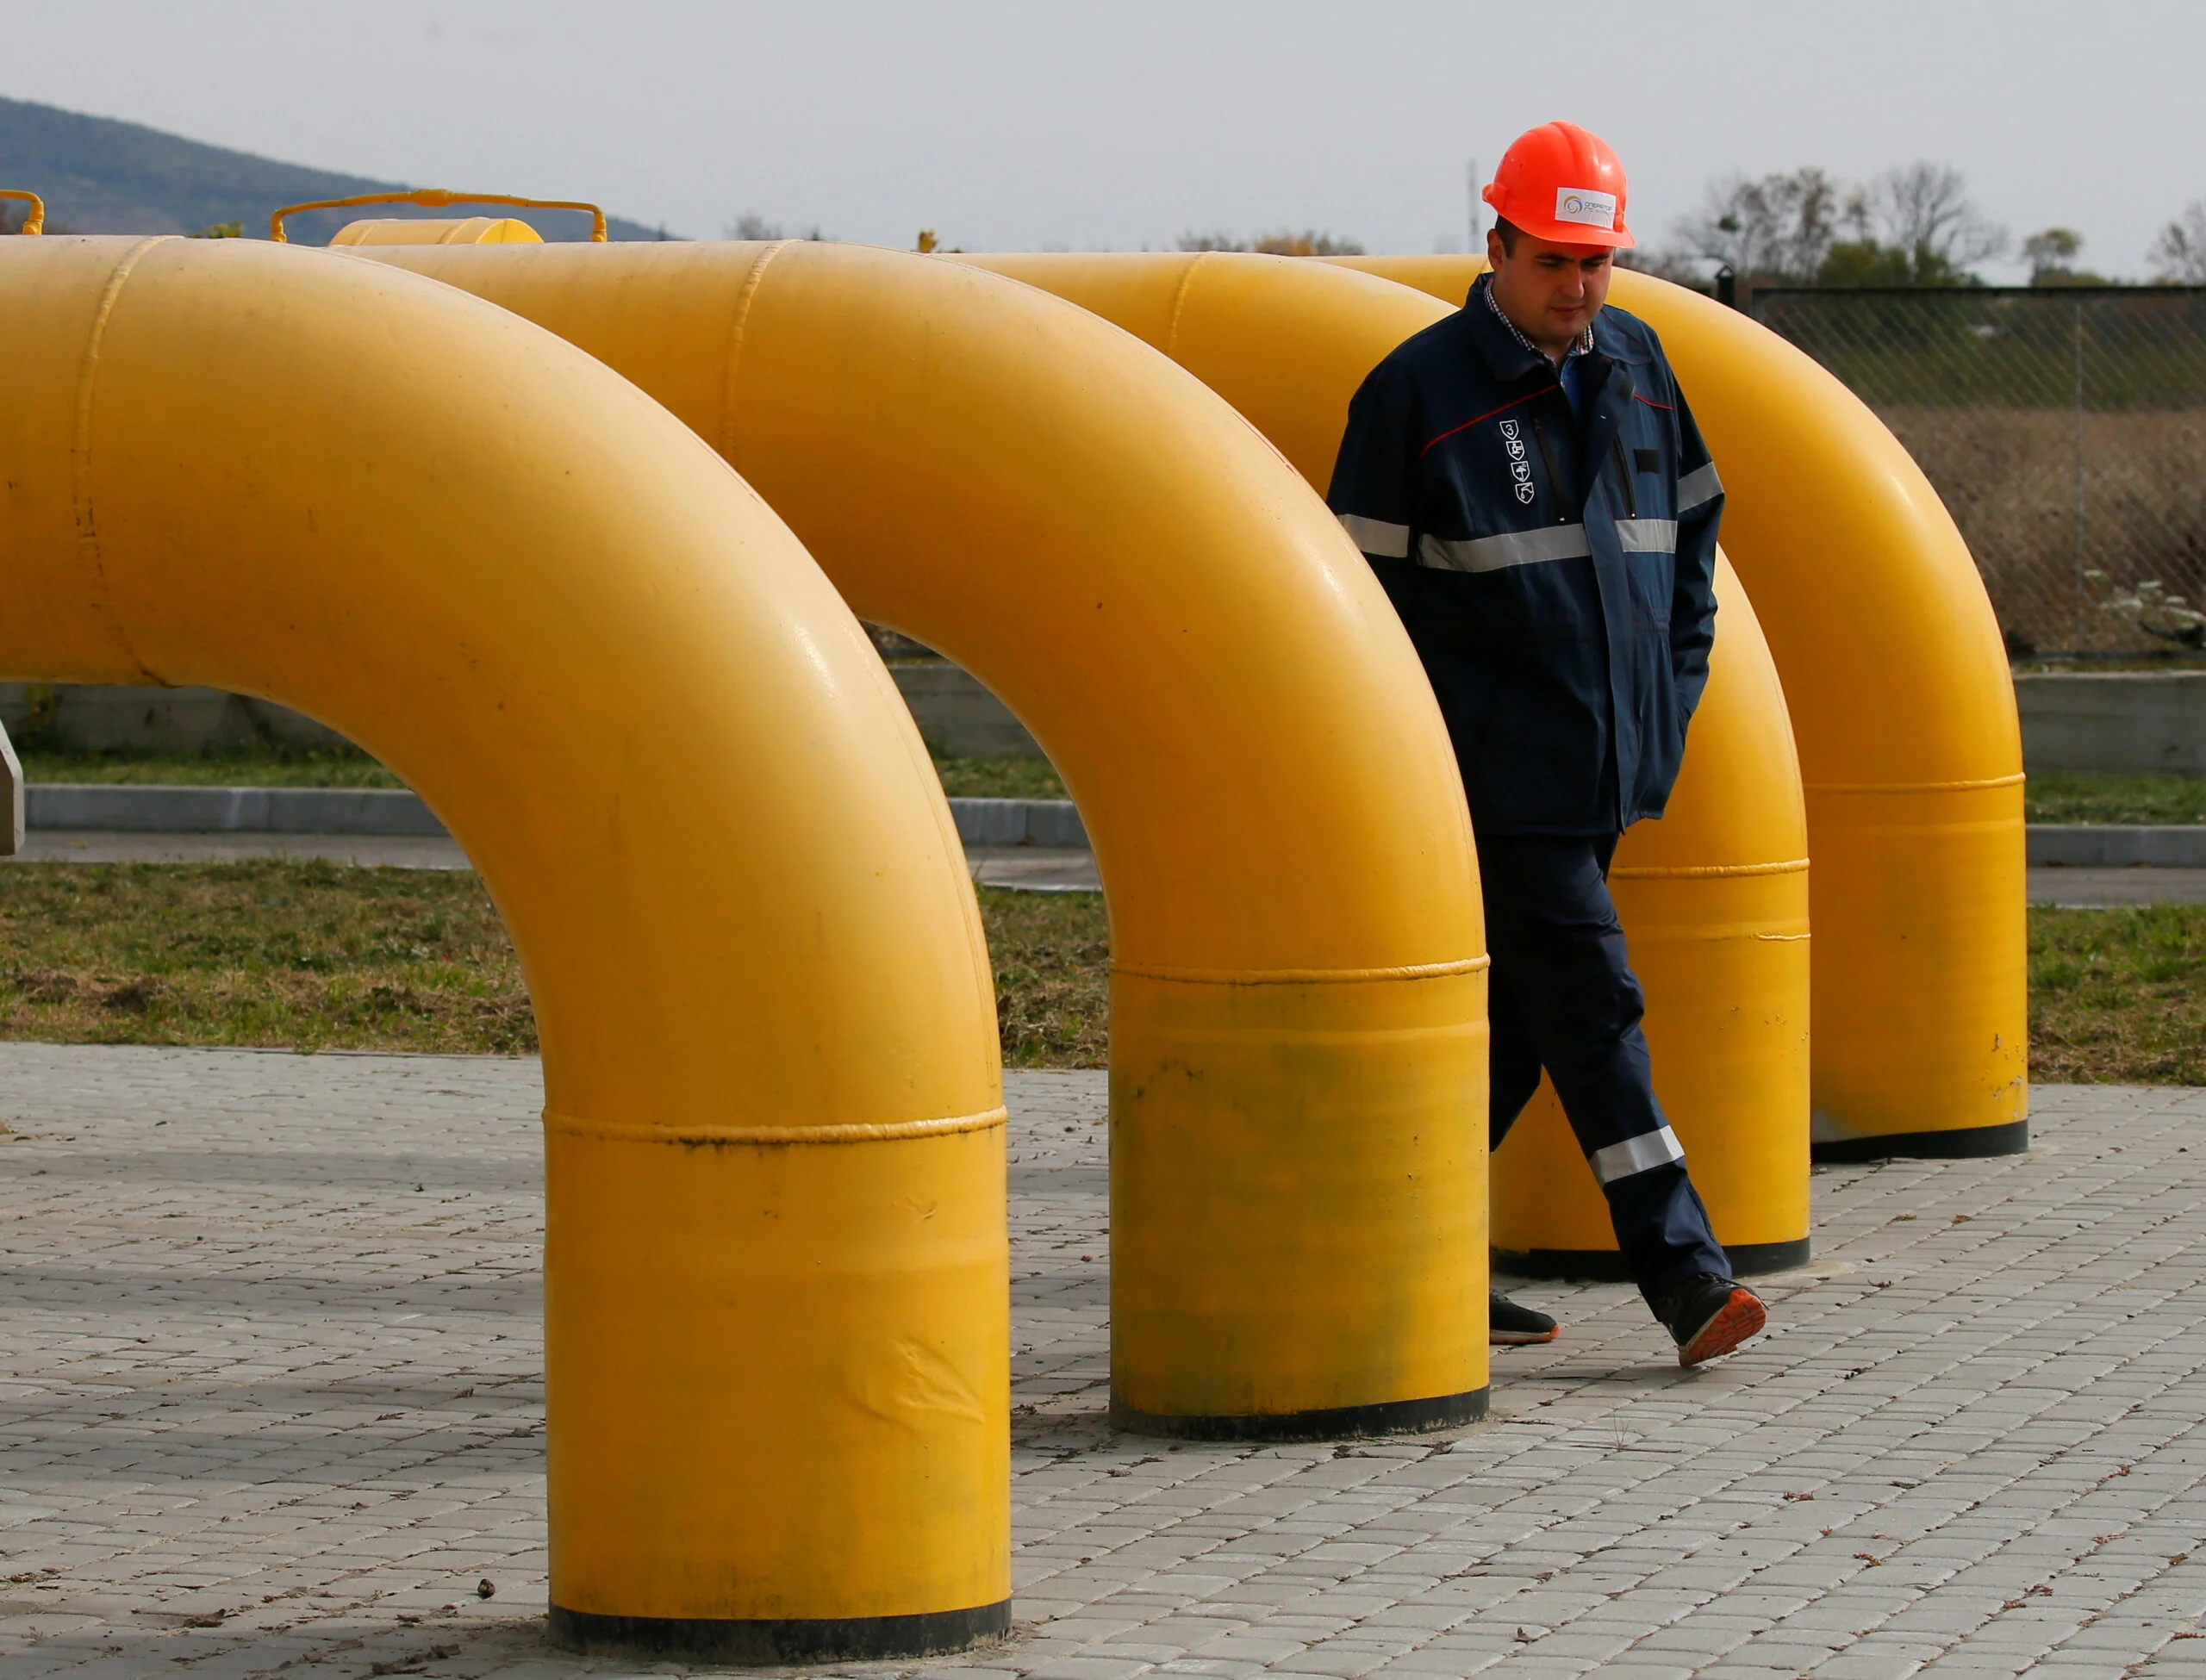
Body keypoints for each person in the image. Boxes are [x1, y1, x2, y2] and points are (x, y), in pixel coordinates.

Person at [1326, 121, 1767, 1368]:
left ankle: (1382, 1255)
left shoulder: (1640, 365)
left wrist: (1669, 695)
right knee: (1594, 1001)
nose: (1577, 287)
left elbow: (1691, 543)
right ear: (1498, 248)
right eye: (1554, 260)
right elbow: (1357, 613)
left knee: (1523, 1023)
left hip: (1610, 763)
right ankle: (1687, 1274)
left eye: (1596, 261)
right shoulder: (1417, 395)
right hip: (1496, 777)